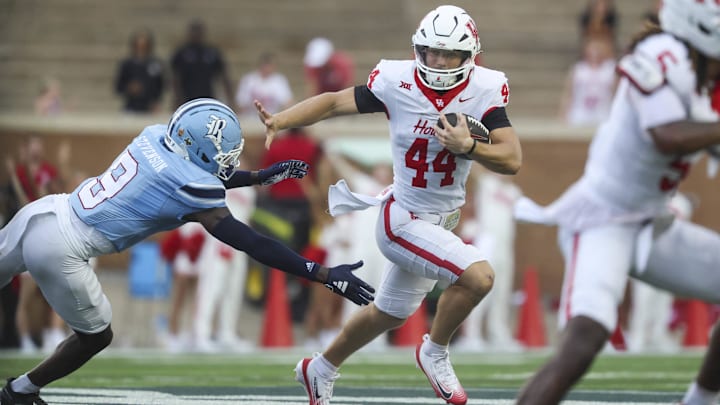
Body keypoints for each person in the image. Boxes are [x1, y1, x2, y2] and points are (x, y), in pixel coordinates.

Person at [0, 98, 374, 405]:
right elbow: (251, 241)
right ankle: (21, 392)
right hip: (63, 248)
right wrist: (321, 274)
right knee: (96, 338)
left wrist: (259, 177)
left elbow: (196, 170)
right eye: (224, 153)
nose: (229, 161)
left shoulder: (154, 136)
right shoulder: (194, 187)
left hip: (44, 211)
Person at [256, 5, 522, 404]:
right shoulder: (397, 81)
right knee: (479, 277)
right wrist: (281, 120)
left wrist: (469, 146)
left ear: (468, 55)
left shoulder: (483, 89)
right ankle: (435, 351)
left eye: (448, 53)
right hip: (403, 219)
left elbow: (512, 158)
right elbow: (331, 103)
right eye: (431, 51)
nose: (438, 61)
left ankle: (320, 368)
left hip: (439, 222)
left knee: (388, 313)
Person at [513, 1, 720, 403]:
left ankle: (702, 400)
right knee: (586, 338)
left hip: (650, 221)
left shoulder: (698, 78)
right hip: (601, 219)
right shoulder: (657, 56)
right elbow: (668, 134)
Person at [171, 20, 234, 108]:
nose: (196, 34)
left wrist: (231, 100)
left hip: (208, 97)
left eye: (198, 31)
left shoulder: (212, 53)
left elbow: (224, 77)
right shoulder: (181, 53)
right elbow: (175, 78)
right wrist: (177, 99)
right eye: (194, 31)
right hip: (187, 99)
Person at [558, 37, 617, 127]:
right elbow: (569, 93)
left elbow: (615, 93)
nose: (595, 53)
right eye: (592, 50)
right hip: (580, 112)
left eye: (598, 50)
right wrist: (563, 113)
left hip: (602, 112)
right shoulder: (579, 69)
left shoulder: (610, 69)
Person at [114, 28, 165, 113]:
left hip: (150, 107)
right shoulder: (127, 64)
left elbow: (161, 85)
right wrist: (129, 88)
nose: (141, 49)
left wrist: (156, 101)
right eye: (139, 46)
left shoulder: (155, 64)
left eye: (144, 46)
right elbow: (118, 86)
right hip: (131, 106)